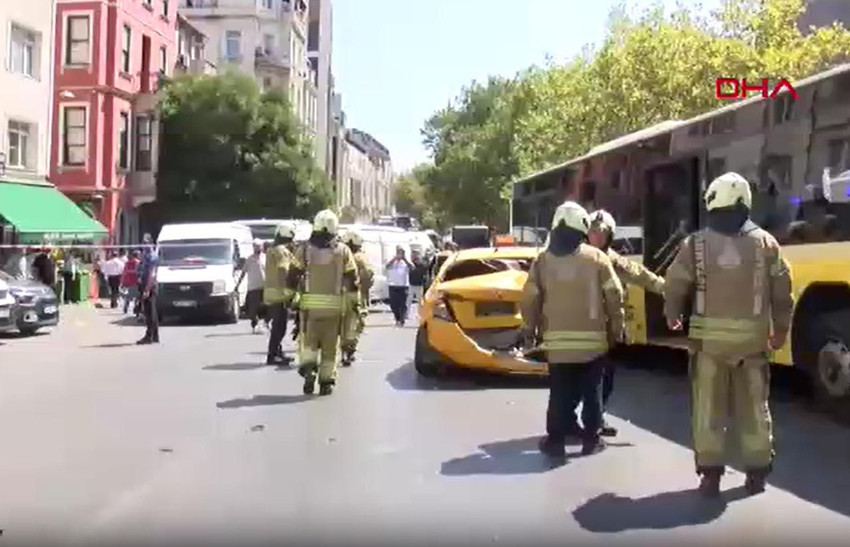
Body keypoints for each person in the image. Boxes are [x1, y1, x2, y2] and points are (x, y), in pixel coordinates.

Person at [664, 172, 793, 497]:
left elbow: (675, 282)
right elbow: (782, 294)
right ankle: (757, 473)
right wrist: (780, 331)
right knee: (755, 409)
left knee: (709, 410)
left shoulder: (695, 244)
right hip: (752, 347)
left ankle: (710, 476)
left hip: (709, 348)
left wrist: (672, 315)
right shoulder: (767, 244)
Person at [520, 201, 625, 459]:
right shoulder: (598, 258)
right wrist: (616, 329)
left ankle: (555, 441)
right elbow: (615, 295)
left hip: (556, 344)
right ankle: (591, 440)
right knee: (592, 391)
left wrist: (529, 331)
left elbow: (530, 298)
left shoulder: (543, 260)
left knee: (559, 392)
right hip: (593, 342)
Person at [587, 209, 666, 438]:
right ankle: (570, 424)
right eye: (592, 232)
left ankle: (595, 418)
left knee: (604, 377)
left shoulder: (612, 259)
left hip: (602, 329)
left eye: (602, 233)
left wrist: (666, 288)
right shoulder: (575, 257)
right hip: (577, 327)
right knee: (572, 379)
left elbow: (638, 273)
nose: (597, 237)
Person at [287, 210, 359, 396]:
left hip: (310, 310)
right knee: (329, 347)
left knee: (309, 343)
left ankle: (310, 369)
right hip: (334, 309)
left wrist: (290, 297)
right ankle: (326, 382)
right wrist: (354, 303)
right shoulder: (343, 250)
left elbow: (293, 274)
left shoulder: (304, 250)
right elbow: (352, 279)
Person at [340, 229, 374, 367]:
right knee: (356, 323)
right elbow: (368, 273)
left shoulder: (338, 254)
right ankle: (349, 351)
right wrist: (364, 287)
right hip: (355, 295)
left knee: (342, 325)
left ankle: (344, 351)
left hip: (338, 295)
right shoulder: (360, 257)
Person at [263, 226, 294, 365]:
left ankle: (277, 352)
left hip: (271, 292)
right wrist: (286, 290)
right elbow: (283, 269)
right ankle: (273, 354)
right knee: (280, 326)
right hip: (279, 293)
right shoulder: (281, 251)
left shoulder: (271, 250)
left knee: (278, 324)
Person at [237, 239, 267, 334]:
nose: (257, 247)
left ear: (262, 247)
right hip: (253, 287)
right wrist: (238, 285)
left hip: (265, 287)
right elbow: (243, 273)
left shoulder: (266, 258)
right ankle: (255, 324)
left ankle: (266, 324)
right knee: (252, 310)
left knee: (270, 308)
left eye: (259, 246)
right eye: (255, 246)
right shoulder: (249, 259)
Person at [137, 234, 160, 345]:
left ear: (151, 243)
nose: (144, 245)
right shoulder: (146, 255)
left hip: (149, 285)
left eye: (146, 242)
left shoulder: (151, 256)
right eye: (143, 242)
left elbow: (152, 273)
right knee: (151, 311)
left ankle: (149, 336)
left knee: (149, 311)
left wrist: (147, 288)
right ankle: (154, 336)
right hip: (146, 284)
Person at [386, 246, 412, 326]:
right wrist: (394, 259)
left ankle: (402, 319)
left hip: (403, 285)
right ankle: (397, 318)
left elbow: (412, 267)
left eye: (401, 252)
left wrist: (404, 259)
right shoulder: (391, 260)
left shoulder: (406, 261)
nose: (400, 254)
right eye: (398, 252)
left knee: (403, 304)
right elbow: (387, 266)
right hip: (393, 285)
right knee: (393, 305)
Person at [408, 249, 428, 318]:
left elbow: (425, 269)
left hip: (419, 284)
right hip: (411, 283)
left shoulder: (422, 263)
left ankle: (420, 314)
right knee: (408, 300)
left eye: (416, 254)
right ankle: (406, 314)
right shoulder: (410, 263)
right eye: (413, 254)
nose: (414, 255)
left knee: (420, 301)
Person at [121, 250, 141, 316]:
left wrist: (123, 282)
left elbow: (124, 272)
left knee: (129, 296)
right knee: (137, 297)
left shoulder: (127, 263)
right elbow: (138, 272)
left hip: (128, 281)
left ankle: (125, 308)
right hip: (135, 281)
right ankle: (136, 310)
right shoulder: (138, 262)